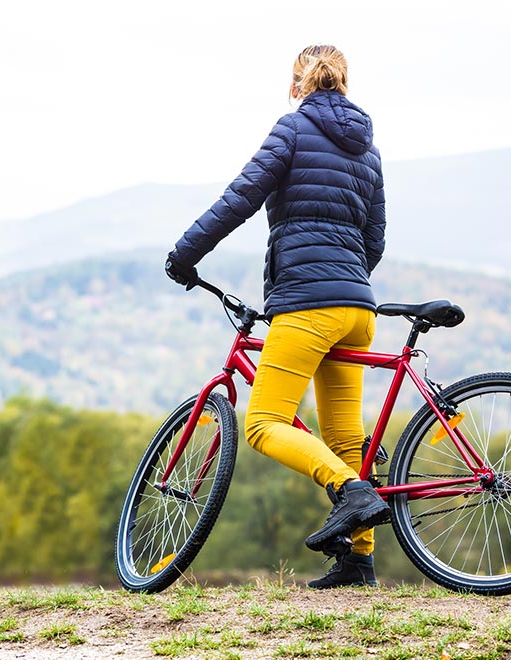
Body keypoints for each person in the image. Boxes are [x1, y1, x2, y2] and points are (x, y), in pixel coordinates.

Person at [165, 44, 388, 589]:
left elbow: (240, 198)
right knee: (343, 437)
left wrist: (185, 255)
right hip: (357, 307)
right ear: (344, 83)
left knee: (264, 424)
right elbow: (374, 241)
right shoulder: (369, 151)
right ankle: (358, 561)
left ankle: (351, 491)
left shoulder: (291, 130)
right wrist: (344, 280)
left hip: (308, 303)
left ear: (297, 85)